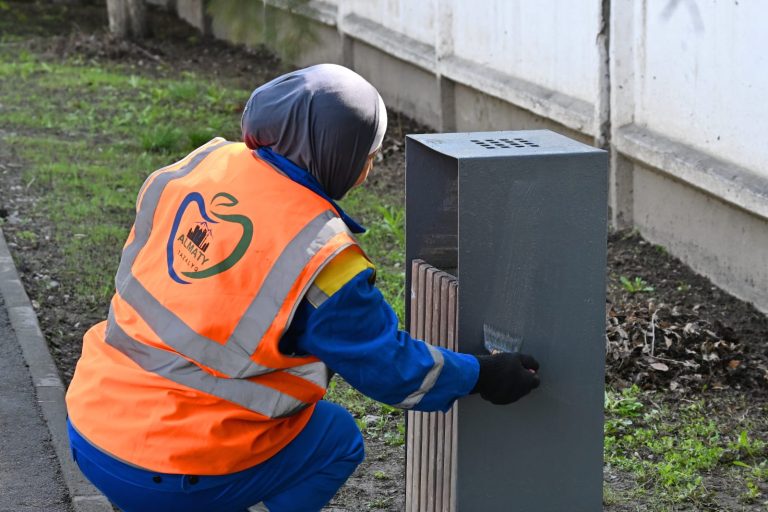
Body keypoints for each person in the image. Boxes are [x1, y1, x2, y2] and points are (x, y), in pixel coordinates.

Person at [65, 64, 540, 512]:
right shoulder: (321, 256)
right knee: (336, 439)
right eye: (367, 156)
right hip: (172, 471)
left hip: (92, 423)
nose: (368, 169)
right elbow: (392, 369)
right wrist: (482, 374)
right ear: (337, 153)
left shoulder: (201, 165)